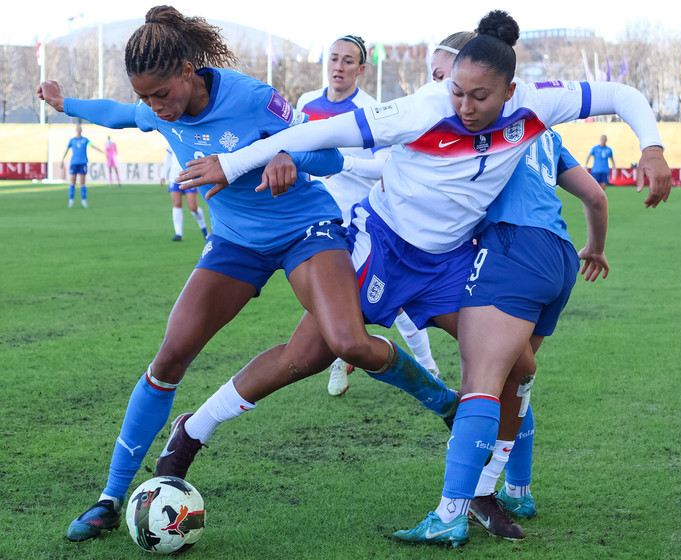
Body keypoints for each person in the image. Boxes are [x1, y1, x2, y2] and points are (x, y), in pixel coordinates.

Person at [173, 9, 670, 548]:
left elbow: (622, 94)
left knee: (517, 366)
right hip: (382, 247)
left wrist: (652, 146)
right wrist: (234, 164)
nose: (464, 106)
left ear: (509, 92)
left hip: (449, 263)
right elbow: (322, 129)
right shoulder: (421, 109)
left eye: (479, 96)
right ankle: (193, 430)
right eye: (456, 90)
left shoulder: (538, 103)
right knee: (305, 356)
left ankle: (481, 490)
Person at [37, 5, 451, 544]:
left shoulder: (254, 98)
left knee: (348, 342)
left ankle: (444, 400)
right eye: (147, 98)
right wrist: (64, 103)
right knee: (169, 357)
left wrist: (287, 157)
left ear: (187, 70)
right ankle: (111, 499)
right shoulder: (157, 110)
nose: (156, 107)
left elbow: (328, 157)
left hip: (306, 229)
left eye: (161, 94)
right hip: (234, 243)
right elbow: (118, 114)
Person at [297, 34, 439, 395]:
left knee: (393, 297)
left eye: (348, 61)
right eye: (334, 58)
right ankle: (340, 358)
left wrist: (342, 164)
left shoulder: (371, 110)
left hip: (364, 221)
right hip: (319, 222)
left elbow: (384, 165)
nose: (338, 66)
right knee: (329, 296)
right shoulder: (306, 103)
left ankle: (427, 367)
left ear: (361, 69)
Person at [161, 145, 209, 242]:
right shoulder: (171, 142)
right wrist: (163, 174)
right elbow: (168, 159)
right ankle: (178, 234)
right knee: (176, 204)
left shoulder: (189, 141)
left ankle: (204, 229)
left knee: (193, 207)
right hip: (174, 177)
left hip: (189, 176)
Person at [61, 124, 103, 208]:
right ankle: (71, 201)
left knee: (83, 183)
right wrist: (62, 160)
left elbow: (92, 145)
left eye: (80, 128)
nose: (79, 130)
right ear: (76, 130)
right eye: (78, 128)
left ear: (81, 130)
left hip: (83, 163)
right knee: (72, 182)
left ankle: (83, 201)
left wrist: (101, 151)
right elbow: (67, 150)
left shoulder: (85, 140)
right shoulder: (72, 140)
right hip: (74, 163)